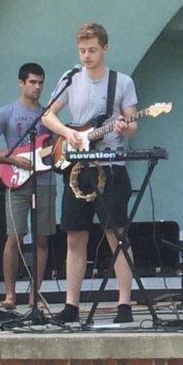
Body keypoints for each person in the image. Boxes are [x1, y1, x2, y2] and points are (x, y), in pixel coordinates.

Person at [41, 23, 138, 324]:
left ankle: (125, 303)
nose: (87, 56)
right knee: (74, 236)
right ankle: (71, 304)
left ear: (105, 48)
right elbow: (47, 116)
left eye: (92, 50)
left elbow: (133, 125)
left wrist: (125, 126)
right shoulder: (70, 79)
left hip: (109, 166)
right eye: (82, 51)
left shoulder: (121, 82)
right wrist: (67, 132)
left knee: (116, 235)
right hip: (77, 166)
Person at [0, 62, 56, 310]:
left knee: (42, 238)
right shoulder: (6, 113)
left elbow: (56, 148)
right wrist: (13, 159)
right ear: (21, 83)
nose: (37, 87)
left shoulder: (48, 116)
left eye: (41, 83)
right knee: (15, 236)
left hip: (44, 180)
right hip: (16, 180)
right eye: (32, 82)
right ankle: (10, 294)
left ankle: (35, 294)